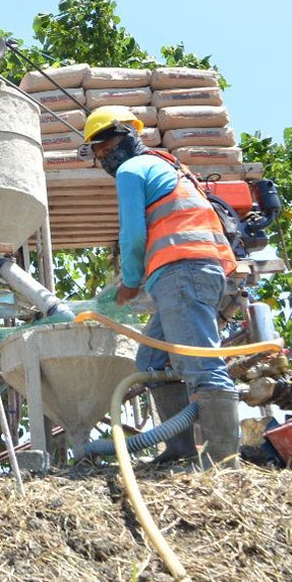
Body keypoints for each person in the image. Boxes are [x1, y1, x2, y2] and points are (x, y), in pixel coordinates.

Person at [82, 106, 240, 467]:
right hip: (193, 272)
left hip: (182, 270)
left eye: (110, 145)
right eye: (100, 152)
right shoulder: (165, 165)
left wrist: (131, 282)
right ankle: (180, 451)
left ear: (132, 135)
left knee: (201, 364)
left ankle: (223, 460)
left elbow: (133, 234)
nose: (107, 155)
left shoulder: (132, 170)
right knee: (152, 360)